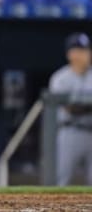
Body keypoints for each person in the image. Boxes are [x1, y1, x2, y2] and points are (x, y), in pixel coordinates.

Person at [49, 33, 92, 185]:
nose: (86, 54)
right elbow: (69, 108)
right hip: (70, 131)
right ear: (71, 54)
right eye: (80, 50)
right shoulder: (60, 78)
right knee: (61, 179)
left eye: (86, 50)